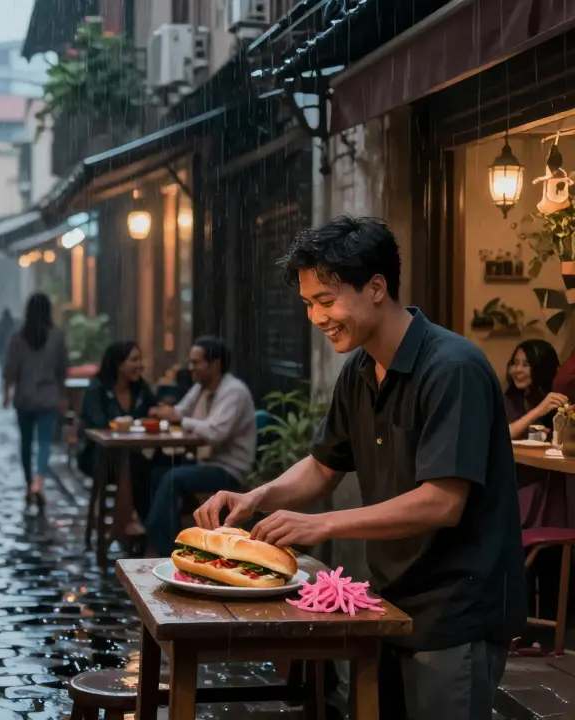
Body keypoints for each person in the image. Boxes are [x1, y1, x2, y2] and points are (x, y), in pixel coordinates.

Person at [196, 215, 523, 719]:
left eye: (326, 301)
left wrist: (321, 522)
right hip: (387, 601)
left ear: (376, 287)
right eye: (308, 304)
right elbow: (324, 466)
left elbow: (442, 501)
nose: (316, 317)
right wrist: (255, 497)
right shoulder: (359, 369)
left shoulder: (452, 367)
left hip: (457, 609)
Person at [143, 337, 257, 554]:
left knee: (172, 478)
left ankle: (166, 547)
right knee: (156, 472)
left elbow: (215, 432)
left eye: (196, 363)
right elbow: (180, 410)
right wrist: (170, 414)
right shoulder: (202, 387)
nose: (191, 367)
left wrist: (178, 419)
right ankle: (164, 535)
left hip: (228, 469)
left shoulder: (234, 391)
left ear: (214, 365)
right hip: (205, 461)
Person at [3, 293, 68, 508]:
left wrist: (6, 393)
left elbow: (10, 368)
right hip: (49, 396)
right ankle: (39, 481)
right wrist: (63, 395)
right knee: (45, 442)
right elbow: (62, 369)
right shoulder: (57, 336)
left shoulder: (18, 336)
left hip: (25, 397)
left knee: (26, 442)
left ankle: (29, 481)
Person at [78, 341, 157, 476]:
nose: (140, 365)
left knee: (162, 465)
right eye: (134, 360)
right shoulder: (97, 388)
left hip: (134, 452)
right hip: (99, 454)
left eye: (140, 359)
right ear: (118, 364)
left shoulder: (140, 387)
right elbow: (99, 424)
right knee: (138, 469)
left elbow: (155, 409)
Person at [503, 339, 565, 439]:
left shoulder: (558, 397)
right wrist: (539, 410)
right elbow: (501, 436)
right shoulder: (508, 401)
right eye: (515, 363)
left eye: (526, 365)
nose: (517, 370)